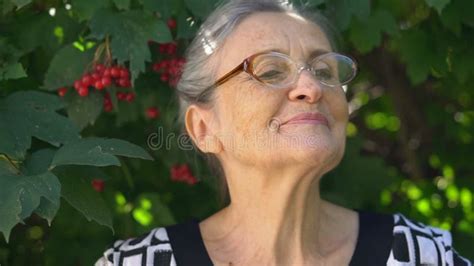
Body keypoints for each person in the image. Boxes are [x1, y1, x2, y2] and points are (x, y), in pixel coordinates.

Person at [95, 0, 472, 265]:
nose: (312, 87)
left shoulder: (424, 256)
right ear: (204, 129)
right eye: (271, 71)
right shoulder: (137, 264)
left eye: (324, 71)